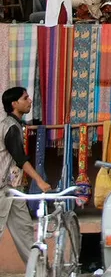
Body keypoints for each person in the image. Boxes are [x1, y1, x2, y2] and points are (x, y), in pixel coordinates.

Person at [0, 87, 51, 265]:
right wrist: (40, 180)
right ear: (14, 104)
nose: (30, 101)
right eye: (25, 98)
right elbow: (20, 158)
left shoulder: (15, 125)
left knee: (25, 231)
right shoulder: (11, 127)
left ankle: (40, 274)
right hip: (2, 190)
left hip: (13, 190)